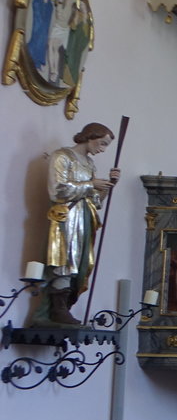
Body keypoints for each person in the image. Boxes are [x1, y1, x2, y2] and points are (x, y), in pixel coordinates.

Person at [39, 121, 119, 325]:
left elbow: (95, 202)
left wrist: (108, 186)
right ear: (90, 136)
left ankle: (66, 305)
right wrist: (90, 184)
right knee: (65, 261)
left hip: (84, 218)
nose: (102, 150)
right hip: (65, 217)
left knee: (80, 264)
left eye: (105, 146)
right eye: (101, 144)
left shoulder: (90, 164)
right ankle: (57, 310)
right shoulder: (62, 156)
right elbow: (57, 190)